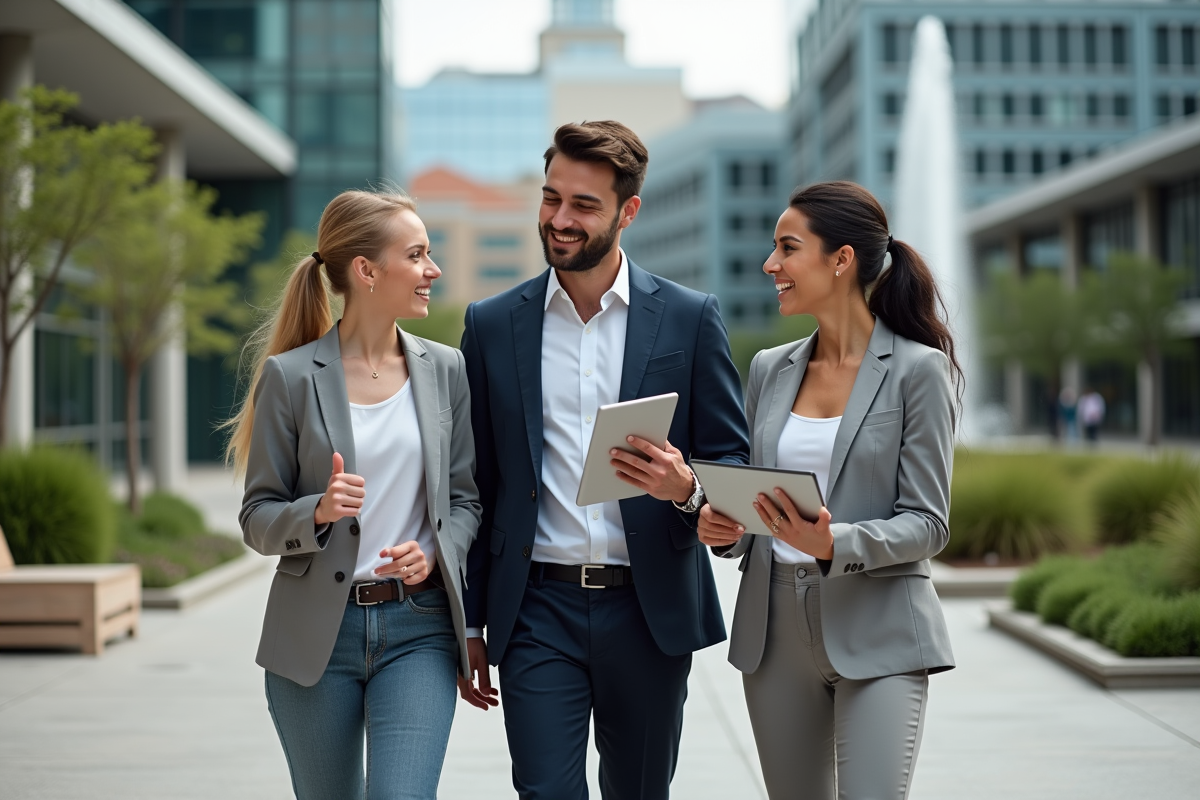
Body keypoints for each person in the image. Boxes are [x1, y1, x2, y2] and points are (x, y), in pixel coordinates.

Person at [458, 120, 750, 800]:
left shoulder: (689, 318)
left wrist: (686, 487)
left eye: (583, 205)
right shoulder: (492, 324)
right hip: (536, 609)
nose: (560, 219)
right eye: (551, 198)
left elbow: (730, 461)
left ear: (628, 211)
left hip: (649, 612)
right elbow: (476, 482)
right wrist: (469, 620)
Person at [697, 181, 959, 800]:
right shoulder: (769, 368)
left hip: (880, 627)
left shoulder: (918, 370)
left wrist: (834, 542)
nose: (771, 265)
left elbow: (929, 523)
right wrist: (724, 528)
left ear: (841, 260)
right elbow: (757, 503)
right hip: (774, 632)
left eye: (788, 248)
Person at [226, 190, 482, 800]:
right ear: (366, 270)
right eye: (416, 255)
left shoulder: (446, 369)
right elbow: (257, 516)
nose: (432, 270)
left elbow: (465, 500)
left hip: (419, 628)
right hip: (318, 635)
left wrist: (433, 550)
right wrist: (316, 511)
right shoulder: (290, 377)